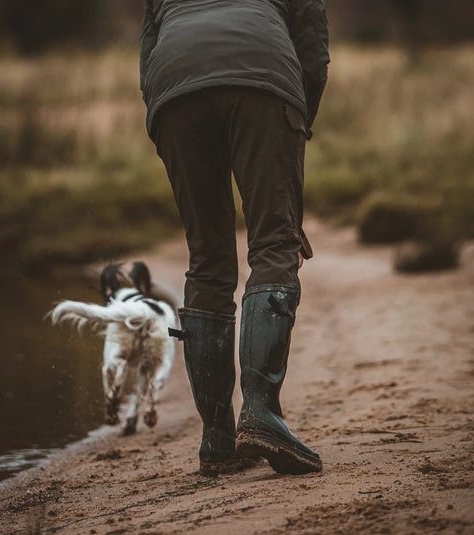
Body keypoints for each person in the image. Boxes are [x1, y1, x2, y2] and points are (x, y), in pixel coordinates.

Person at [139, 0, 329, 476]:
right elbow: (313, 54)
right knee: (272, 244)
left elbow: (148, 54)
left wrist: (166, 112)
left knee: (206, 258)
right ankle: (260, 414)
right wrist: (296, 123)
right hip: (263, 81)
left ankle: (217, 437)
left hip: (174, 89)